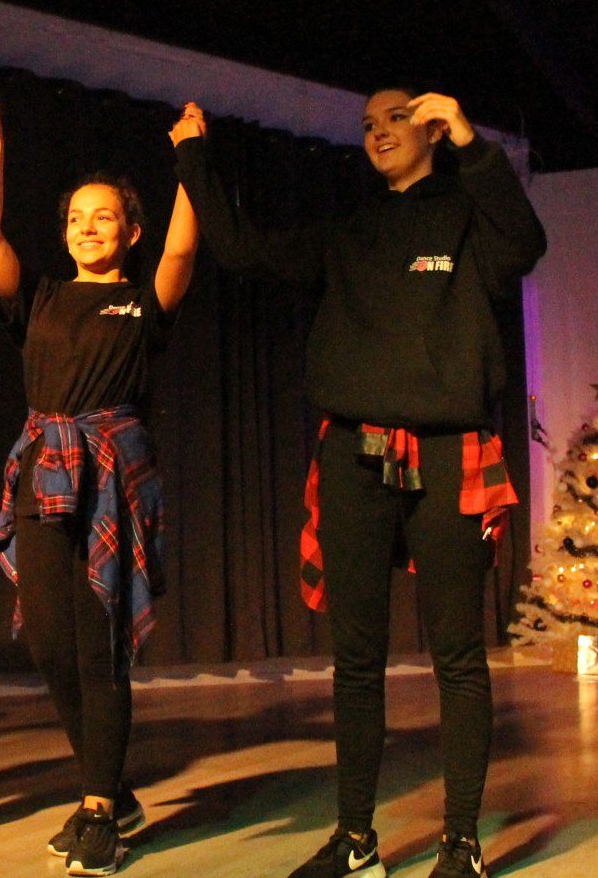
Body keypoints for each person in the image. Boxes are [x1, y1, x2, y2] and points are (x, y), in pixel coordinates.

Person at [173, 89, 545, 878]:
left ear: (432, 127)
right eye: (368, 125)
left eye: (395, 118)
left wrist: (474, 142)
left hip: (447, 453)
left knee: (457, 656)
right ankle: (355, 839)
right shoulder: (349, 231)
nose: (378, 132)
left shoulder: (469, 214)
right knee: (355, 659)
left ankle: (461, 842)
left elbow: (525, 242)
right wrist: (193, 155)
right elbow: (240, 249)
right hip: (353, 455)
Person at [0, 90, 198, 876]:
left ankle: (99, 807)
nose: (87, 227)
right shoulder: (39, 297)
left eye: (104, 217)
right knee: (50, 645)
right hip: (43, 469)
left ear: (130, 231)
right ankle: (112, 788)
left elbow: (181, 256)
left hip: (112, 476)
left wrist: (190, 164)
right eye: (75, 218)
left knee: (100, 651)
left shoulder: (140, 302)